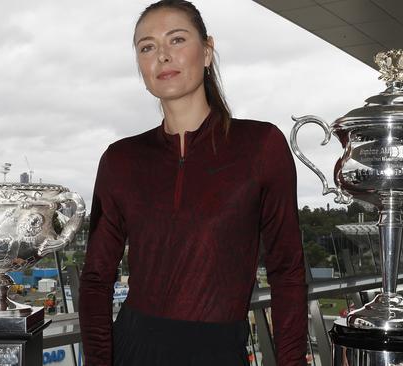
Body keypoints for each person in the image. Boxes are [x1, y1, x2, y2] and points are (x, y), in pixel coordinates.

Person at [79, 1, 307, 365]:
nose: (162, 57)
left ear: (207, 51)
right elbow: (95, 279)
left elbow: (288, 271)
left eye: (177, 40)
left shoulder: (260, 146)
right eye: (147, 47)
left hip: (219, 352)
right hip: (133, 350)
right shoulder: (121, 159)